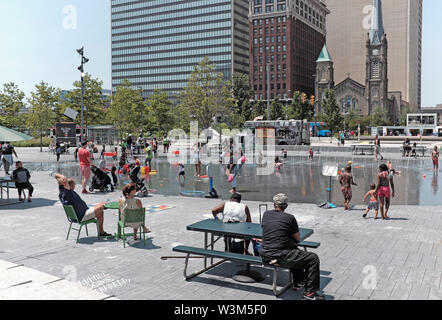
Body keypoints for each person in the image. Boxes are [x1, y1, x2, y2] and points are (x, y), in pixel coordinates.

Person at [259, 194, 325, 300]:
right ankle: (309, 294)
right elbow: (297, 238)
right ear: (286, 205)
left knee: (295, 252)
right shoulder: (289, 218)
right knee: (313, 258)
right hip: (279, 257)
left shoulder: (266, 214)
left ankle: (298, 281)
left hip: (264, 254)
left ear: (274, 204)